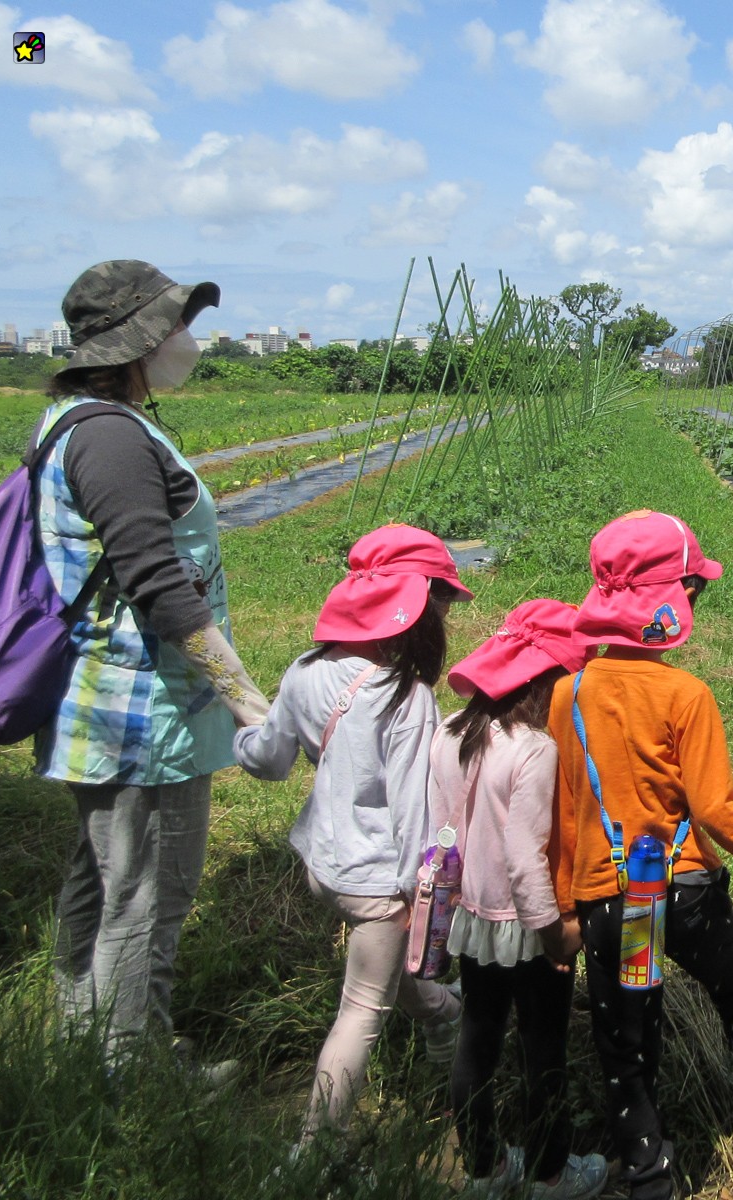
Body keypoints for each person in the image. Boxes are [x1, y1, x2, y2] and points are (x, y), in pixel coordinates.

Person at [38, 260, 271, 1070]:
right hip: (142, 715)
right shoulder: (108, 437)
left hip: (107, 703)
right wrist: (245, 698)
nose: (189, 341)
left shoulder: (84, 421)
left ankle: (79, 1040)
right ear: (137, 341)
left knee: (105, 876)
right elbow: (157, 580)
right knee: (148, 894)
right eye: (177, 326)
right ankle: (133, 1073)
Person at [548, 510, 733, 1200]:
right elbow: (715, 811)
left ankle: (648, 1172)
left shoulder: (570, 694)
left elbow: (563, 815)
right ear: (670, 606)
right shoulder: (687, 695)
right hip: (679, 887)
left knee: (626, 1037)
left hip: (611, 897)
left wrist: (564, 907)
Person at [233, 524, 467, 1145]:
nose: (446, 614)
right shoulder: (404, 697)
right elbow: (416, 814)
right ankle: (316, 1148)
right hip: (377, 880)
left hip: (323, 866)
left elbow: (267, 760)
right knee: (362, 1011)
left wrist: (240, 734)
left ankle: (444, 1017)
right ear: (413, 609)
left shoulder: (307, 671)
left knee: (388, 971)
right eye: (440, 601)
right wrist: (431, 893)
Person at [431, 599, 607, 1200]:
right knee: (542, 1046)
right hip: (526, 925)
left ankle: (482, 1168)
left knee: (477, 1037)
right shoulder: (534, 748)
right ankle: (551, 1172)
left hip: (470, 918)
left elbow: (442, 827)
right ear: (545, 681)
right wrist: (554, 933)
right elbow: (525, 855)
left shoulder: (453, 730)